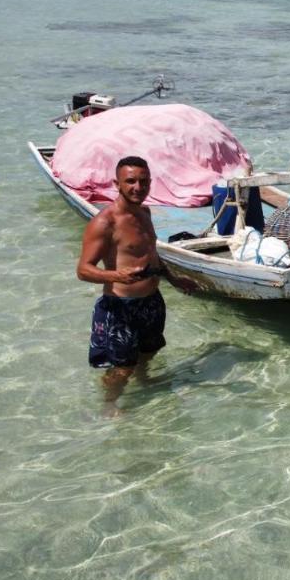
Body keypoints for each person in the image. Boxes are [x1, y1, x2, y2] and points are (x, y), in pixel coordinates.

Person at [76, 156, 196, 401]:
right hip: (121, 307)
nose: (138, 187)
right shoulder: (104, 223)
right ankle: (109, 403)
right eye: (130, 181)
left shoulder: (145, 212)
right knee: (122, 367)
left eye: (144, 181)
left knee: (149, 351)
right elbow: (83, 270)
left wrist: (174, 280)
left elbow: (150, 255)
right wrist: (116, 275)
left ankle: (144, 380)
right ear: (116, 183)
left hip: (151, 301)